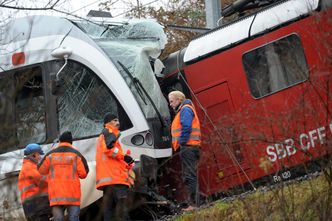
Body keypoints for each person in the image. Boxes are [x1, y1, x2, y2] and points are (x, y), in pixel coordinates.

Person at [38, 131, 89, 221]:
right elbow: (84, 174)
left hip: (56, 196)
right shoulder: (76, 155)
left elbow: (41, 170)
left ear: (60, 141)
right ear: (71, 142)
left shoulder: (50, 155)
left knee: (58, 219)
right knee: (74, 218)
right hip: (73, 195)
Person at [96, 113, 135, 221]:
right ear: (107, 123)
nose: (117, 123)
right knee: (122, 210)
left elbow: (111, 157)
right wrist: (125, 156)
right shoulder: (108, 132)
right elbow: (109, 149)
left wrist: (126, 163)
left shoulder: (103, 136)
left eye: (118, 120)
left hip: (107, 181)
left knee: (109, 211)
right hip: (116, 179)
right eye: (114, 120)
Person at [168, 90, 201, 211]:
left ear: (178, 100)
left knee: (190, 176)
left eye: (171, 101)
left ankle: (194, 205)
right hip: (190, 147)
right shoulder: (185, 109)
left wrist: (182, 143)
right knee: (189, 175)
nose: (170, 104)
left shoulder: (185, 109)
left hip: (188, 147)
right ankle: (193, 203)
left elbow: (186, 127)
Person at [18, 143, 52, 221]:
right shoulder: (29, 167)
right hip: (36, 207)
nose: (39, 157)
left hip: (32, 207)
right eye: (38, 154)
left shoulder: (27, 167)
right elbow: (43, 180)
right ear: (33, 155)